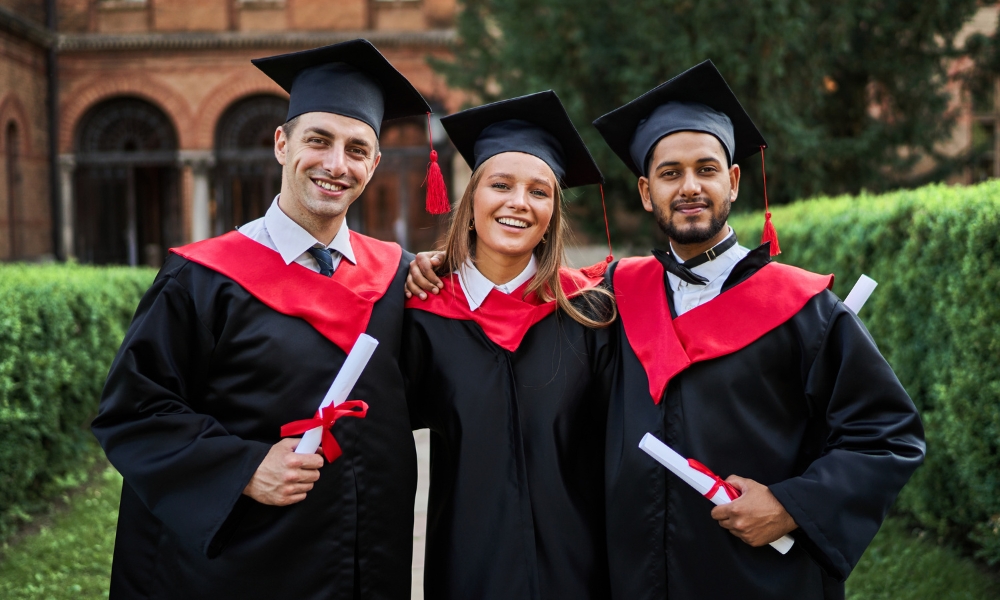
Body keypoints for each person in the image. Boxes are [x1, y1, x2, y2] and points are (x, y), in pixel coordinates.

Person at [91, 40, 432, 599]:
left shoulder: (398, 277)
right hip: (241, 565)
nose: (335, 164)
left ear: (374, 163)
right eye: (318, 140)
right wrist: (245, 468)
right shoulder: (201, 278)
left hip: (362, 558)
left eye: (356, 149)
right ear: (281, 143)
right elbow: (135, 412)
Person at [588, 60, 926, 600]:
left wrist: (793, 505)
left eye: (706, 168)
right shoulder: (616, 298)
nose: (690, 186)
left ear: (734, 180)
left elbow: (886, 434)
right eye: (671, 173)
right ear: (647, 192)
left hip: (761, 578)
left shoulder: (802, 308)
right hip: (638, 576)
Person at [402, 91, 617, 600]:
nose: (519, 202)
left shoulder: (590, 313)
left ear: (552, 213)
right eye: (501, 185)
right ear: (471, 200)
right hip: (467, 565)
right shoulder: (422, 314)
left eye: (539, 192)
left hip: (580, 568)